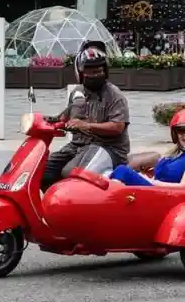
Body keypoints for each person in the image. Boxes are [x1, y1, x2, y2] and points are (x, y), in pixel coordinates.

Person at [41, 40, 130, 191]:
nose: (95, 75)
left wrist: (87, 126)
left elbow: (117, 127)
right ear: (81, 73)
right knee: (44, 171)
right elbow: (68, 114)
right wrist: (49, 120)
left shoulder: (114, 95)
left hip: (109, 149)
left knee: (72, 175)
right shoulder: (78, 92)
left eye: (99, 71)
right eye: (90, 72)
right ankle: (53, 207)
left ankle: (75, 207)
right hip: (78, 146)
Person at [109, 109, 185, 187]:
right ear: (175, 134)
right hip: (157, 192)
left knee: (122, 171)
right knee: (115, 173)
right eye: (181, 130)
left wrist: (152, 182)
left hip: (168, 197)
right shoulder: (174, 154)